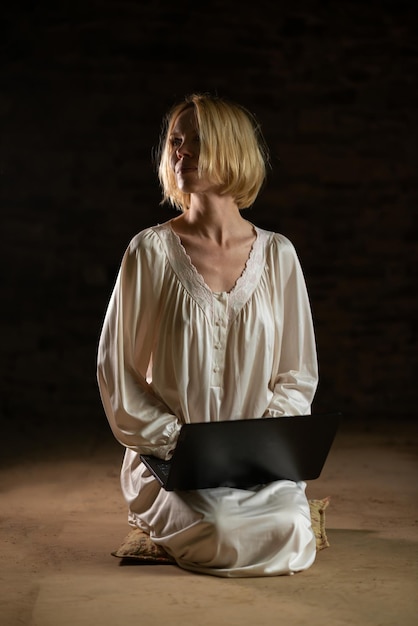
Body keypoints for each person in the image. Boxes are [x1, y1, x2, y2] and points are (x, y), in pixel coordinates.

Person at [97, 93, 319, 577]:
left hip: (258, 461)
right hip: (172, 458)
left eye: (199, 141)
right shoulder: (150, 253)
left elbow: (296, 373)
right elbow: (120, 373)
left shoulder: (279, 256)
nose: (182, 152)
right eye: (176, 141)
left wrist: (263, 442)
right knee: (219, 526)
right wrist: (176, 442)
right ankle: (161, 509)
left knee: (289, 527)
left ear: (235, 151)